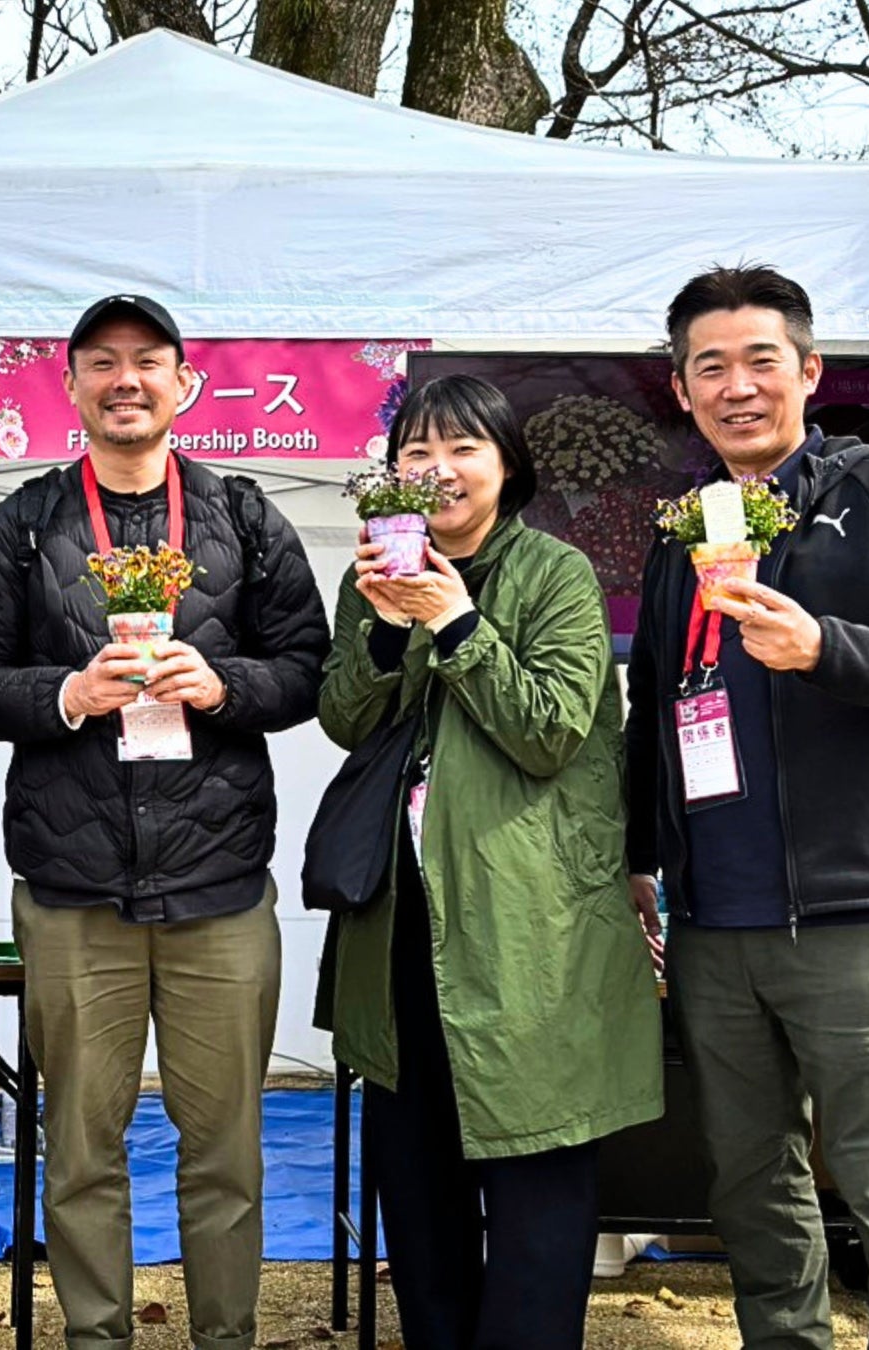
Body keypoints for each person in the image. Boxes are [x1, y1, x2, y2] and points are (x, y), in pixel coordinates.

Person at [0, 295, 329, 1350]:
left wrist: (225, 684)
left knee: (226, 1152)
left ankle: (225, 1340)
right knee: (80, 1150)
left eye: (148, 361)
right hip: (75, 894)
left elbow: (310, 666)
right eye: (103, 362)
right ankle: (96, 1340)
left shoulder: (245, 518)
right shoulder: (24, 526)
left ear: (184, 383)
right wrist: (68, 693)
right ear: (71, 385)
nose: (126, 380)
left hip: (219, 889)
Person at [626, 264, 869, 1348]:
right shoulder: (684, 528)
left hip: (856, 918)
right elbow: (655, 706)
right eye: (710, 367)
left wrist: (826, 645)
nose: (738, 387)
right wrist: (641, 854)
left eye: (760, 361)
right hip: (715, 924)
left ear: (810, 372)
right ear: (681, 389)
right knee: (752, 1190)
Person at [317, 374, 662, 1350]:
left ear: (507, 466)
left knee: (534, 1192)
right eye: (416, 452)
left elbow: (549, 730)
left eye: (463, 448)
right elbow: (343, 717)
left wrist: (456, 620)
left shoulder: (554, 573)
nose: (438, 469)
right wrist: (389, 623)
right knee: (418, 1197)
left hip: (529, 934)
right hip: (400, 926)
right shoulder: (370, 578)